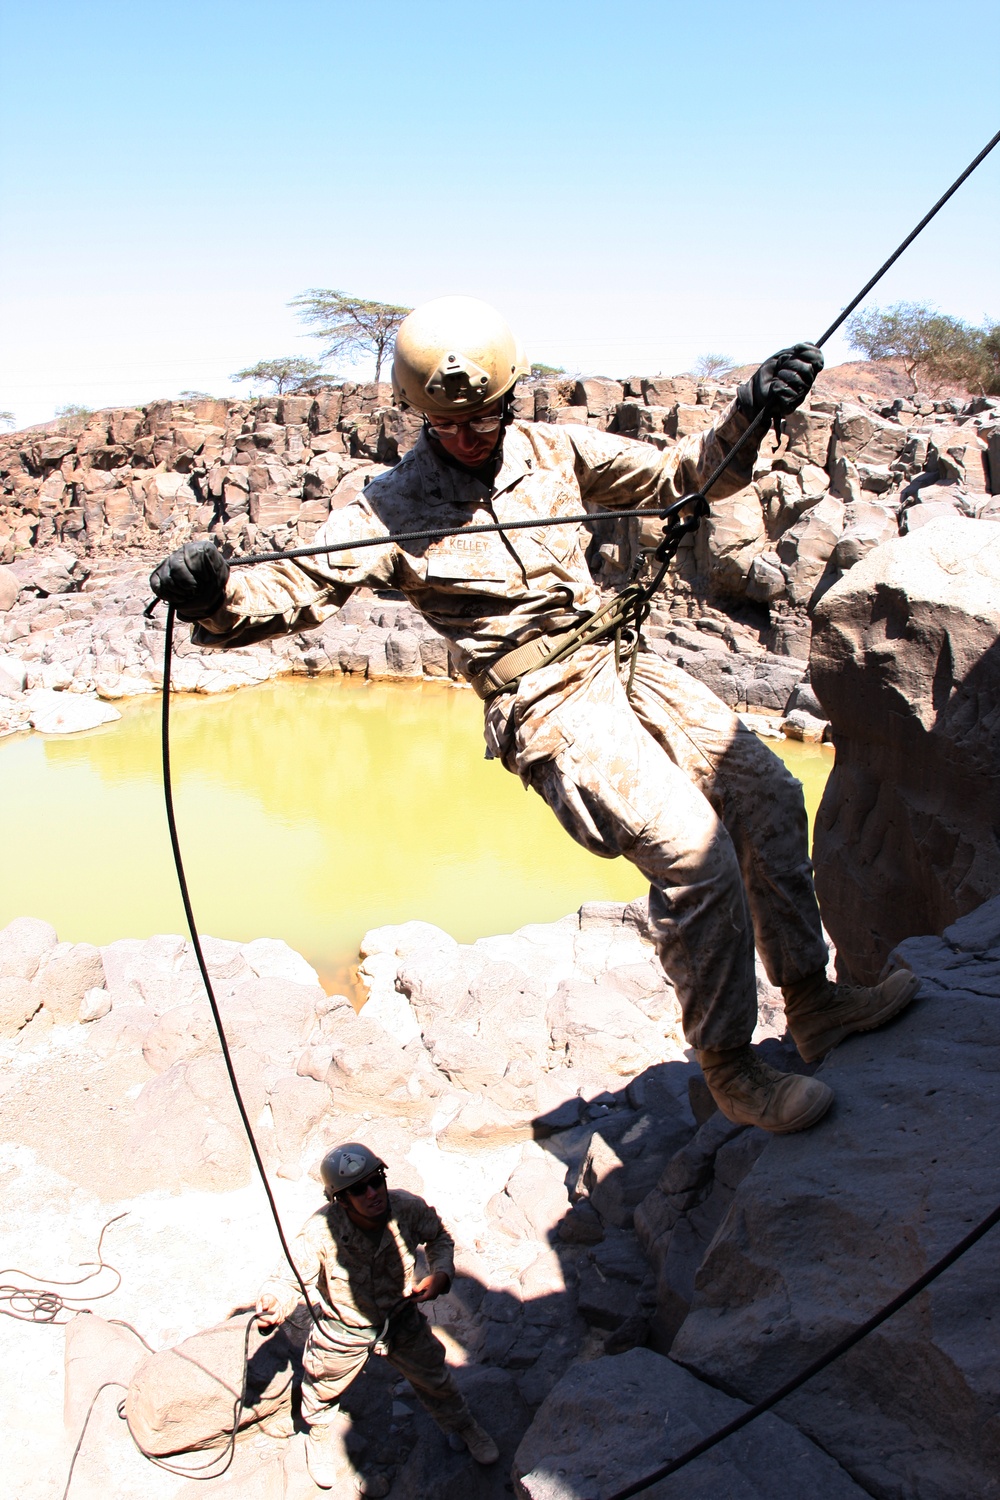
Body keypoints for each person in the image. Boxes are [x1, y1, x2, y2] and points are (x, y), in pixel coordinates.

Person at [151, 296, 919, 1134]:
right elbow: (291, 591)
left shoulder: (550, 448)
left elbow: (677, 478)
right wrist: (216, 596)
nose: (472, 435)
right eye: (451, 424)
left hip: (617, 658)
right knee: (694, 858)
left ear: (511, 397)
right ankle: (731, 1066)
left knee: (768, 793)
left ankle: (812, 1002)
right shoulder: (388, 509)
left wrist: (751, 409)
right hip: (545, 702)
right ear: (419, 416)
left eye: (485, 416)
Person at [255, 1141, 498, 1488]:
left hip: (400, 1320)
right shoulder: (321, 1231)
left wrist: (441, 1275)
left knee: (435, 1379)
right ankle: (319, 1435)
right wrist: (273, 1303)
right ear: (341, 1199)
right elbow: (289, 1278)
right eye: (358, 1189)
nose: (372, 1193)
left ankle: (461, 1425)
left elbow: (439, 1238)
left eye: (376, 1180)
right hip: (344, 1328)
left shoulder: (406, 1208)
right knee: (322, 1384)